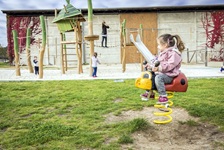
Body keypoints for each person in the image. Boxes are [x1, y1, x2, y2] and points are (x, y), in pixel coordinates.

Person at [141, 34, 185, 103]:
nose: (158, 47)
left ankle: (163, 96)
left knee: (158, 78)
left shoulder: (174, 54)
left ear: (165, 45)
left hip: (170, 75)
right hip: (162, 73)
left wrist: (159, 68)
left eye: (159, 45)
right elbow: (156, 62)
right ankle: (150, 93)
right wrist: (149, 65)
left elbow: (170, 65)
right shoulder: (162, 53)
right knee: (149, 75)